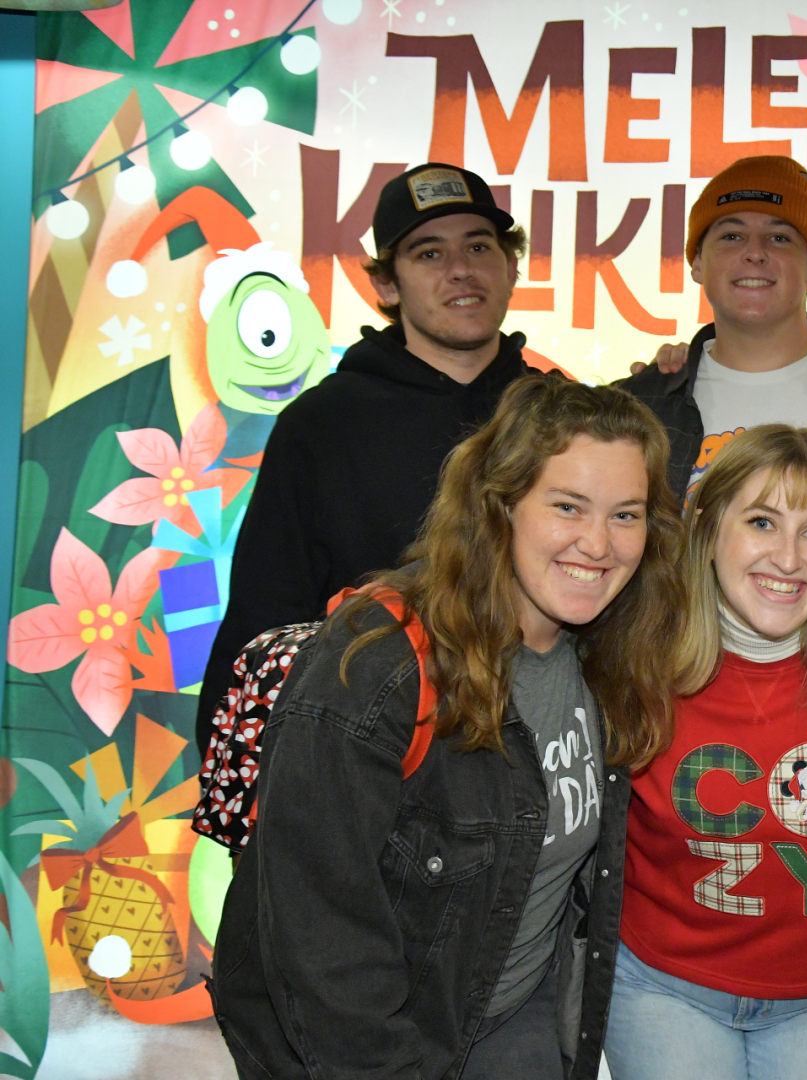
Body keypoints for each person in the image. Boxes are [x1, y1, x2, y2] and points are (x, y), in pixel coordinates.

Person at [210, 375, 683, 1080]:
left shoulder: (612, 655)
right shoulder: (381, 665)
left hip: (511, 1016)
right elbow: (320, 942)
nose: (598, 543)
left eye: (626, 515)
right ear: (502, 505)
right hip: (360, 1046)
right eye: (567, 506)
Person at [196, 162, 542, 750]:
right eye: (429, 253)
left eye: (479, 246)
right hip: (372, 751)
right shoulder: (321, 423)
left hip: (538, 741)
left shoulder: (557, 417)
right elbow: (265, 615)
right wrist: (240, 774)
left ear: (511, 267)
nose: (461, 269)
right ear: (386, 285)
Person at [605, 425, 807, 1080]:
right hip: (663, 985)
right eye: (762, 522)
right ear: (708, 528)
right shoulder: (633, 643)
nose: (789, 558)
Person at [620, 155, 807, 573]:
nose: (754, 253)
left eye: (779, 238)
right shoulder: (641, 404)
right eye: (731, 236)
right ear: (697, 263)